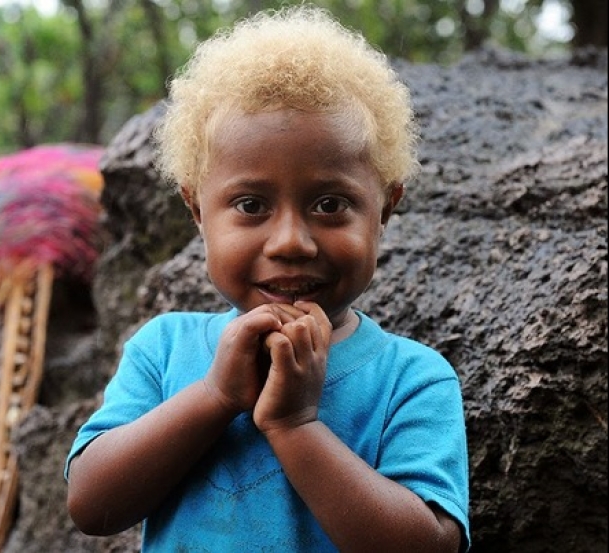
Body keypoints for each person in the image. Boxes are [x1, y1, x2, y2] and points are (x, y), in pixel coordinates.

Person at [65, 5, 470, 552]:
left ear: (385, 210)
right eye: (251, 204)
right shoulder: (163, 350)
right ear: (198, 212)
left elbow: (429, 546)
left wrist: (295, 426)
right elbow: (91, 503)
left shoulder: (412, 379)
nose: (290, 242)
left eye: (330, 204)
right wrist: (214, 395)